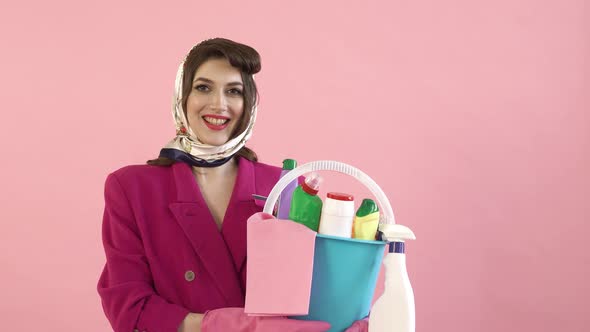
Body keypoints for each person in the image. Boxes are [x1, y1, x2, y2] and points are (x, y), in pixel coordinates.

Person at [97, 38, 368, 332]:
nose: (219, 104)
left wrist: (347, 318)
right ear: (182, 96)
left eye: (234, 91)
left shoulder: (287, 188)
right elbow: (128, 306)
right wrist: (220, 326)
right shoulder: (131, 188)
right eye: (203, 87)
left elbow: (321, 292)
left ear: (249, 103)